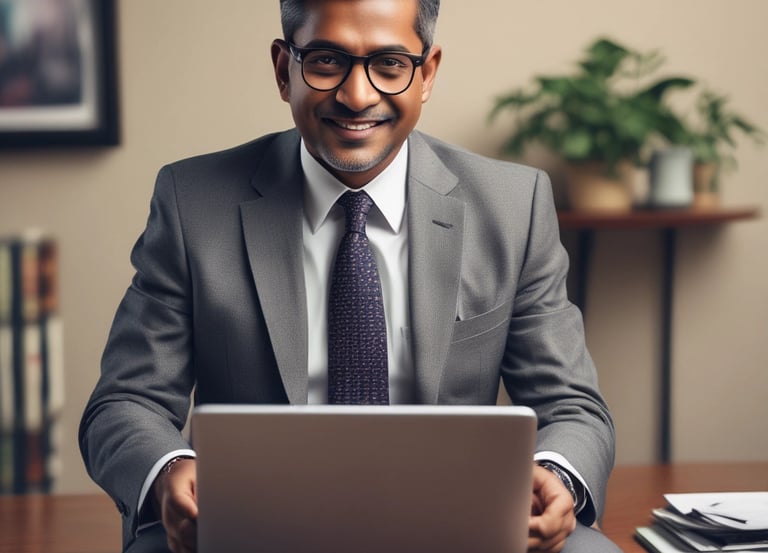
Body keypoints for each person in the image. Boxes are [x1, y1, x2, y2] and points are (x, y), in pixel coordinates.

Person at [79, 1, 621, 552]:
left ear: (428, 73)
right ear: (284, 69)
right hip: (249, 528)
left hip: (460, 528)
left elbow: (573, 408)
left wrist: (556, 477)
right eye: (326, 60)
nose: (357, 95)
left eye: (389, 63)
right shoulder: (192, 203)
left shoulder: (514, 206)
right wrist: (171, 472)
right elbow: (126, 402)